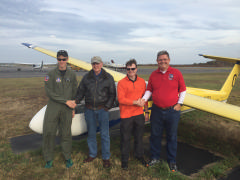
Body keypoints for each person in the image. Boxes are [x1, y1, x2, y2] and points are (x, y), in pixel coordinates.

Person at [142, 50, 186, 172]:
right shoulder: (153, 74)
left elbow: (183, 90)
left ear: (169, 60)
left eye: (165, 59)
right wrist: (143, 99)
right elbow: (149, 90)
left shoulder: (176, 73)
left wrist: (179, 104)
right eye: (160, 59)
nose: (163, 61)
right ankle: (155, 158)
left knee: (172, 136)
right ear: (157, 61)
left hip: (172, 111)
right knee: (155, 135)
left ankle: (172, 161)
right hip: (156, 110)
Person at [75, 56, 116, 168]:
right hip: (89, 110)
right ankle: (92, 154)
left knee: (104, 135)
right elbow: (80, 91)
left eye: (97, 63)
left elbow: (112, 94)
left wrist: (107, 107)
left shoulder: (108, 77)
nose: (95, 66)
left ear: (101, 64)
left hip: (103, 110)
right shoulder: (86, 77)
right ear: (91, 65)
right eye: (93, 64)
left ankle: (106, 157)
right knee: (91, 134)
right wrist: (75, 101)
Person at [43, 50, 78, 168]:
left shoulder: (72, 74)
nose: (61, 61)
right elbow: (49, 92)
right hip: (53, 107)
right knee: (48, 132)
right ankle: (48, 159)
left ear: (67, 59)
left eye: (64, 59)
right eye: (59, 59)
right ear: (57, 59)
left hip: (67, 109)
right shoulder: (51, 74)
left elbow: (74, 91)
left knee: (66, 133)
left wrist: (73, 107)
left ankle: (67, 157)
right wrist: (65, 101)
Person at [117, 59, 149, 170]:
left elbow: (145, 98)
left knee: (139, 137)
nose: (130, 71)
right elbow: (121, 99)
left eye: (133, 69)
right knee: (125, 138)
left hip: (139, 114)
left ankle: (139, 155)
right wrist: (135, 102)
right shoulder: (121, 83)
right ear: (126, 70)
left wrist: (146, 111)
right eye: (128, 69)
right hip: (126, 115)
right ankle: (125, 160)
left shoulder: (142, 82)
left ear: (136, 69)